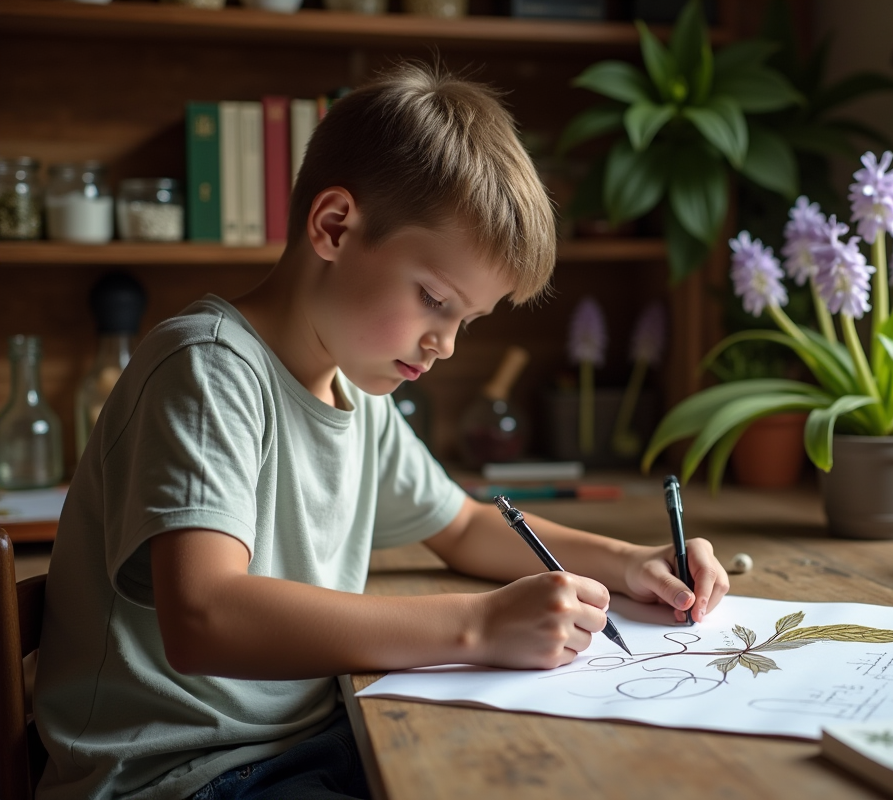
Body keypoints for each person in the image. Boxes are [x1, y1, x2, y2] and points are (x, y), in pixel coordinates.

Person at [32, 63, 729, 800]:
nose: (446, 344)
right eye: (434, 300)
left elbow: (459, 526)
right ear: (334, 226)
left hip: (310, 738)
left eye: (466, 320)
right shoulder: (207, 368)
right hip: (177, 775)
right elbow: (204, 614)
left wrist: (631, 563)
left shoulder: (354, 390)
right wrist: (475, 626)